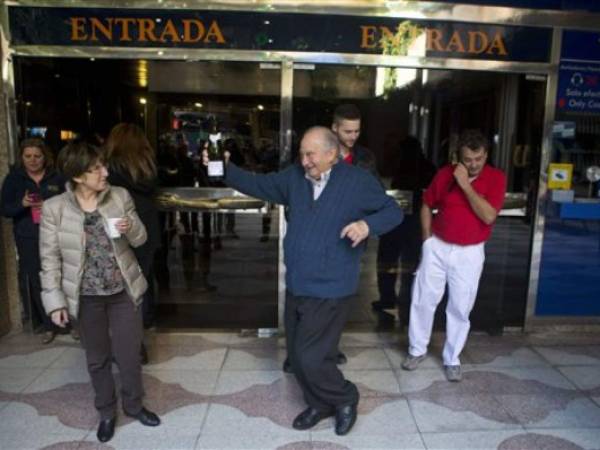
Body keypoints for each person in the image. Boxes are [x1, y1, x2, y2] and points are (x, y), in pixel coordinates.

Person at [207, 126, 403, 435]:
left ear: (332, 154)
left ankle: (345, 397)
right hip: (299, 283)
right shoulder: (294, 178)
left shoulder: (357, 182)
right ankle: (320, 403)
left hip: (331, 287)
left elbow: (393, 211)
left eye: (310, 154)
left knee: (309, 356)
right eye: (301, 153)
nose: (305, 160)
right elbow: (258, 184)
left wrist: (367, 225)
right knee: (299, 358)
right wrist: (225, 167)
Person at [39, 141, 161, 443]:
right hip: (85, 297)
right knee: (97, 359)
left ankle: (134, 406)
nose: (105, 172)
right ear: (79, 175)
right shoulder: (55, 208)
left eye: (103, 165)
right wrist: (54, 302)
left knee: (130, 355)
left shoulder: (119, 196)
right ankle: (106, 412)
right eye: (97, 169)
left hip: (123, 291)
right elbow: (50, 258)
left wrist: (129, 225)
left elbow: (141, 238)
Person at [401, 130, 506, 382]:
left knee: (460, 306)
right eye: (467, 159)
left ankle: (452, 358)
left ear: (486, 155)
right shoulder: (445, 173)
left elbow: (489, 216)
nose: (472, 164)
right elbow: (427, 204)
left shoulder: (496, 178)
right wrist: (427, 241)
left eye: (478, 159)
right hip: (437, 246)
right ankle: (417, 350)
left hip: (469, 252)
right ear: (459, 156)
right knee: (423, 299)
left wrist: (465, 185)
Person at [0, 138, 69, 344]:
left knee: (64, 276)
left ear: (45, 157)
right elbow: (5, 209)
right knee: (38, 280)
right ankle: (50, 325)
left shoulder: (57, 178)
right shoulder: (14, 179)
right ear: (22, 158)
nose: (33, 160)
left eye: (37, 156)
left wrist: (50, 205)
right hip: (28, 236)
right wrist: (22, 204)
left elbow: (71, 205)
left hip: (57, 234)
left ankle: (70, 322)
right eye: (28, 156)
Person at [104, 123, 160, 333]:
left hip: (120, 226)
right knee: (145, 274)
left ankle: (132, 326)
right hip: (148, 226)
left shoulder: (109, 169)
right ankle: (148, 319)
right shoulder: (148, 167)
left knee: (126, 279)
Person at [372, 136, 436, 315]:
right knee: (411, 263)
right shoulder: (427, 167)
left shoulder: (398, 166)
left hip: (396, 221)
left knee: (388, 260)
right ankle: (406, 300)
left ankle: (388, 298)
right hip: (414, 222)